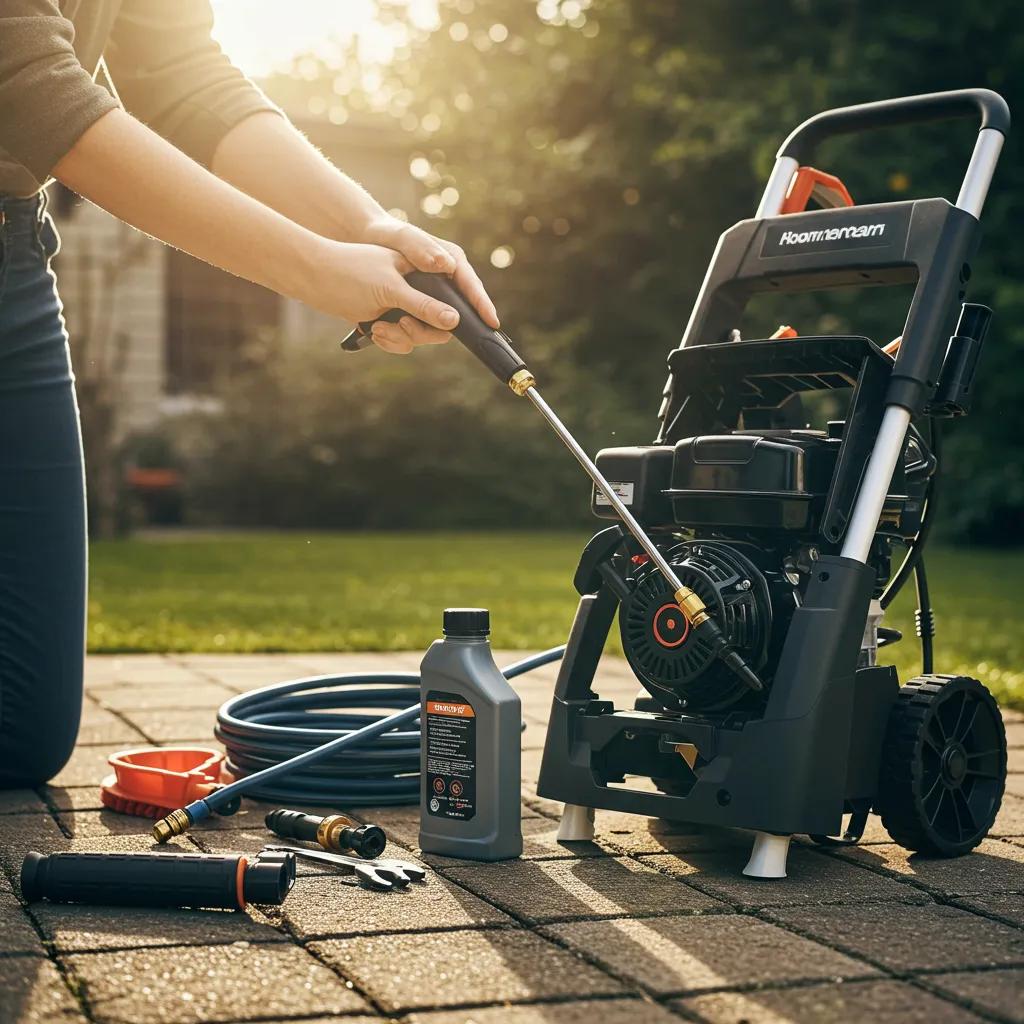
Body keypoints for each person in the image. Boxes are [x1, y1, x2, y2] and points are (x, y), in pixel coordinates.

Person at [0, 1, 499, 786]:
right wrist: (316, 271)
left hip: (11, 251)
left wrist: (367, 225)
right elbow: (25, 82)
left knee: (19, 731)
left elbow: (180, 72)